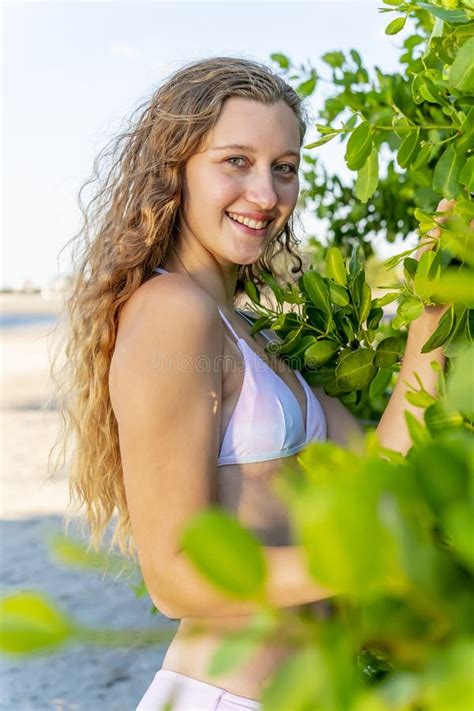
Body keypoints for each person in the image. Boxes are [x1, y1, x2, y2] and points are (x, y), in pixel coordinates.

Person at [52, 56, 450, 710]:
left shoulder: (245, 330)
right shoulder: (170, 311)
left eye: (284, 167)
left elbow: (382, 473)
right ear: (174, 168)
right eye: (235, 161)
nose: (266, 195)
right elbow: (174, 578)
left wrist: (431, 318)